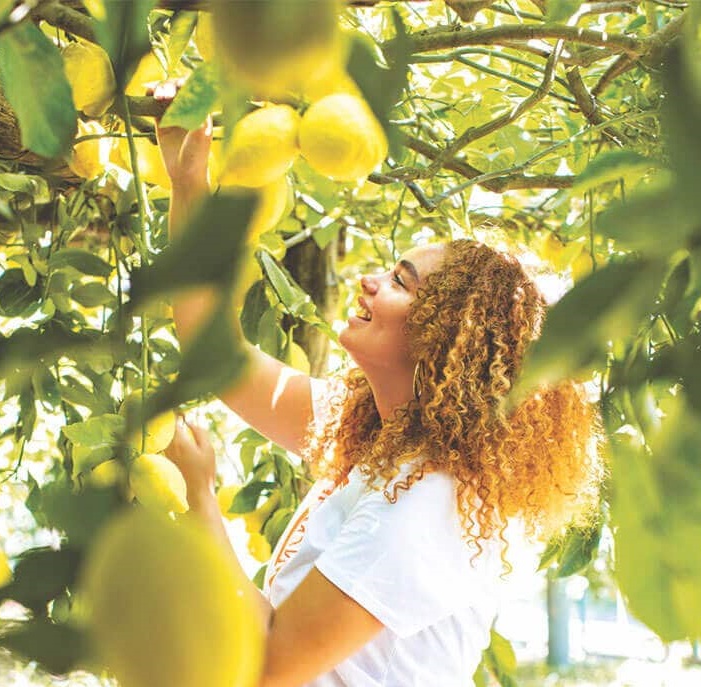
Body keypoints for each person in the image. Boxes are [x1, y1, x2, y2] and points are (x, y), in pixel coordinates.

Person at [154, 83, 603, 687]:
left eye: (400, 280)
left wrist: (200, 496)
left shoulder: (430, 503)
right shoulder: (382, 432)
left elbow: (265, 666)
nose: (368, 281)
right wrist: (188, 183)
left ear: (445, 338)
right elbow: (218, 357)